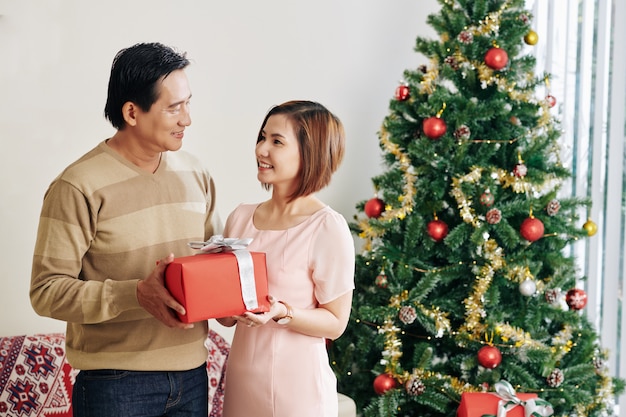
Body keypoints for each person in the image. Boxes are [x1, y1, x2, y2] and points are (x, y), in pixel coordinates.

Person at [30, 42, 222, 417]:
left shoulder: (196, 174)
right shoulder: (78, 186)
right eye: (173, 107)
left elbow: (211, 263)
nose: (187, 119)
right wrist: (134, 294)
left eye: (188, 103)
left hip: (193, 374)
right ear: (132, 112)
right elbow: (46, 291)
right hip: (114, 384)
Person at [217, 100, 355, 417]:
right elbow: (225, 316)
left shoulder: (326, 227)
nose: (261, 149)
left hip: (298, 392)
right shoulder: (240, 217)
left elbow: (335, 323)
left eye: (276, 142)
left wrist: (282, 311)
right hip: (241, 382)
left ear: (310, 153)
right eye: (262, 137)